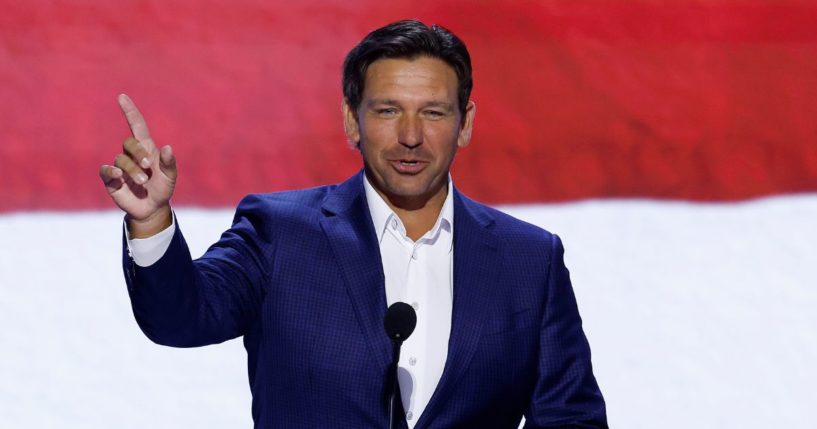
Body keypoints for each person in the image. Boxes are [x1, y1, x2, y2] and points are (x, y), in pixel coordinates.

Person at [99, 20, 607, 429]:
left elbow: (571, 418)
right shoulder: (280, 232)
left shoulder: (529, 259)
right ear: (351, 121)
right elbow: (180, 318)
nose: (411, 136)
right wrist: (152, 220)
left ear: (466, 123)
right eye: (387, 110)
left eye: (433, 112)